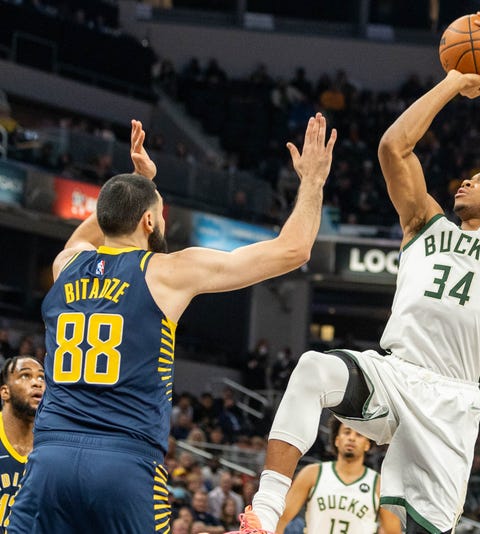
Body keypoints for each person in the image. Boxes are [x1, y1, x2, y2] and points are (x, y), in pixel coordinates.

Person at [236, 12, 480, 534]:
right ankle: (264, 513)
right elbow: (392, 148)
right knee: (313, 367)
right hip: (393, 373)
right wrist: (452, 81)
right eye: (470, 176)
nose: (468, 182)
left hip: (451, 400)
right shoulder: (424, 222)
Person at [7, 114, 336, 534]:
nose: (163, 221)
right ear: (148, 221)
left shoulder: (66, 264)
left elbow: (98, 225)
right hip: (123, 465)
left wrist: (136, 180)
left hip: (49, 461)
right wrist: (313, 180)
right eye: (159, 212)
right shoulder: (167, 271)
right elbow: (294, 250)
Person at [275, 419, 401, 534]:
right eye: (347, 432)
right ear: (337, 440)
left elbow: (393, 531)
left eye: (359, 435)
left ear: (367, 444)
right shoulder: (312, 474)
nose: (352, 438)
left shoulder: (379, 485)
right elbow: (281, 519)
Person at [0, 356, 44, 531]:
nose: (37, 383)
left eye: (42, 377)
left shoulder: (52, 447)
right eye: (25, 376)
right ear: (5, 392)